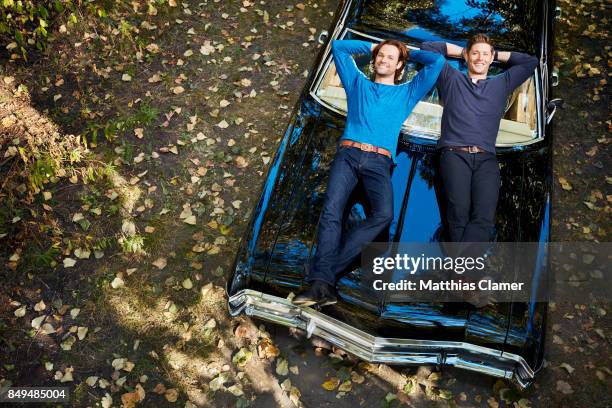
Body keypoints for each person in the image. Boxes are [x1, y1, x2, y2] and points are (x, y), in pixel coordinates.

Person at [292, 38, 445, 307]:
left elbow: (438, 62)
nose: (383, 60)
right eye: (381, 56)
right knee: (331, 213)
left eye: (390, 58)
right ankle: (321, 286)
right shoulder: (357, 83)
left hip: (379, 162)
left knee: (384, 215)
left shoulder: (408, 92)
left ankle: (323, 276)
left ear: (399, 66)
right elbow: (339, 47)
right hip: (348, 156)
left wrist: (407, 51)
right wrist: (373, 47)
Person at [420, 34, 538, 244]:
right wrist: (464, 51)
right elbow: (428, 47)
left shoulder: (501, 84)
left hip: (487, 159)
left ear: (492, 58)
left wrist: (494, 54)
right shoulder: (451, 78)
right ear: (466, 56)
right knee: (458, 215)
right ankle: (464, 273)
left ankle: (461, 270)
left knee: (483, 218)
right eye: (475, 53)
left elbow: (530, 62)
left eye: (485, 54)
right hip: (454, 155)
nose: (480, 58)